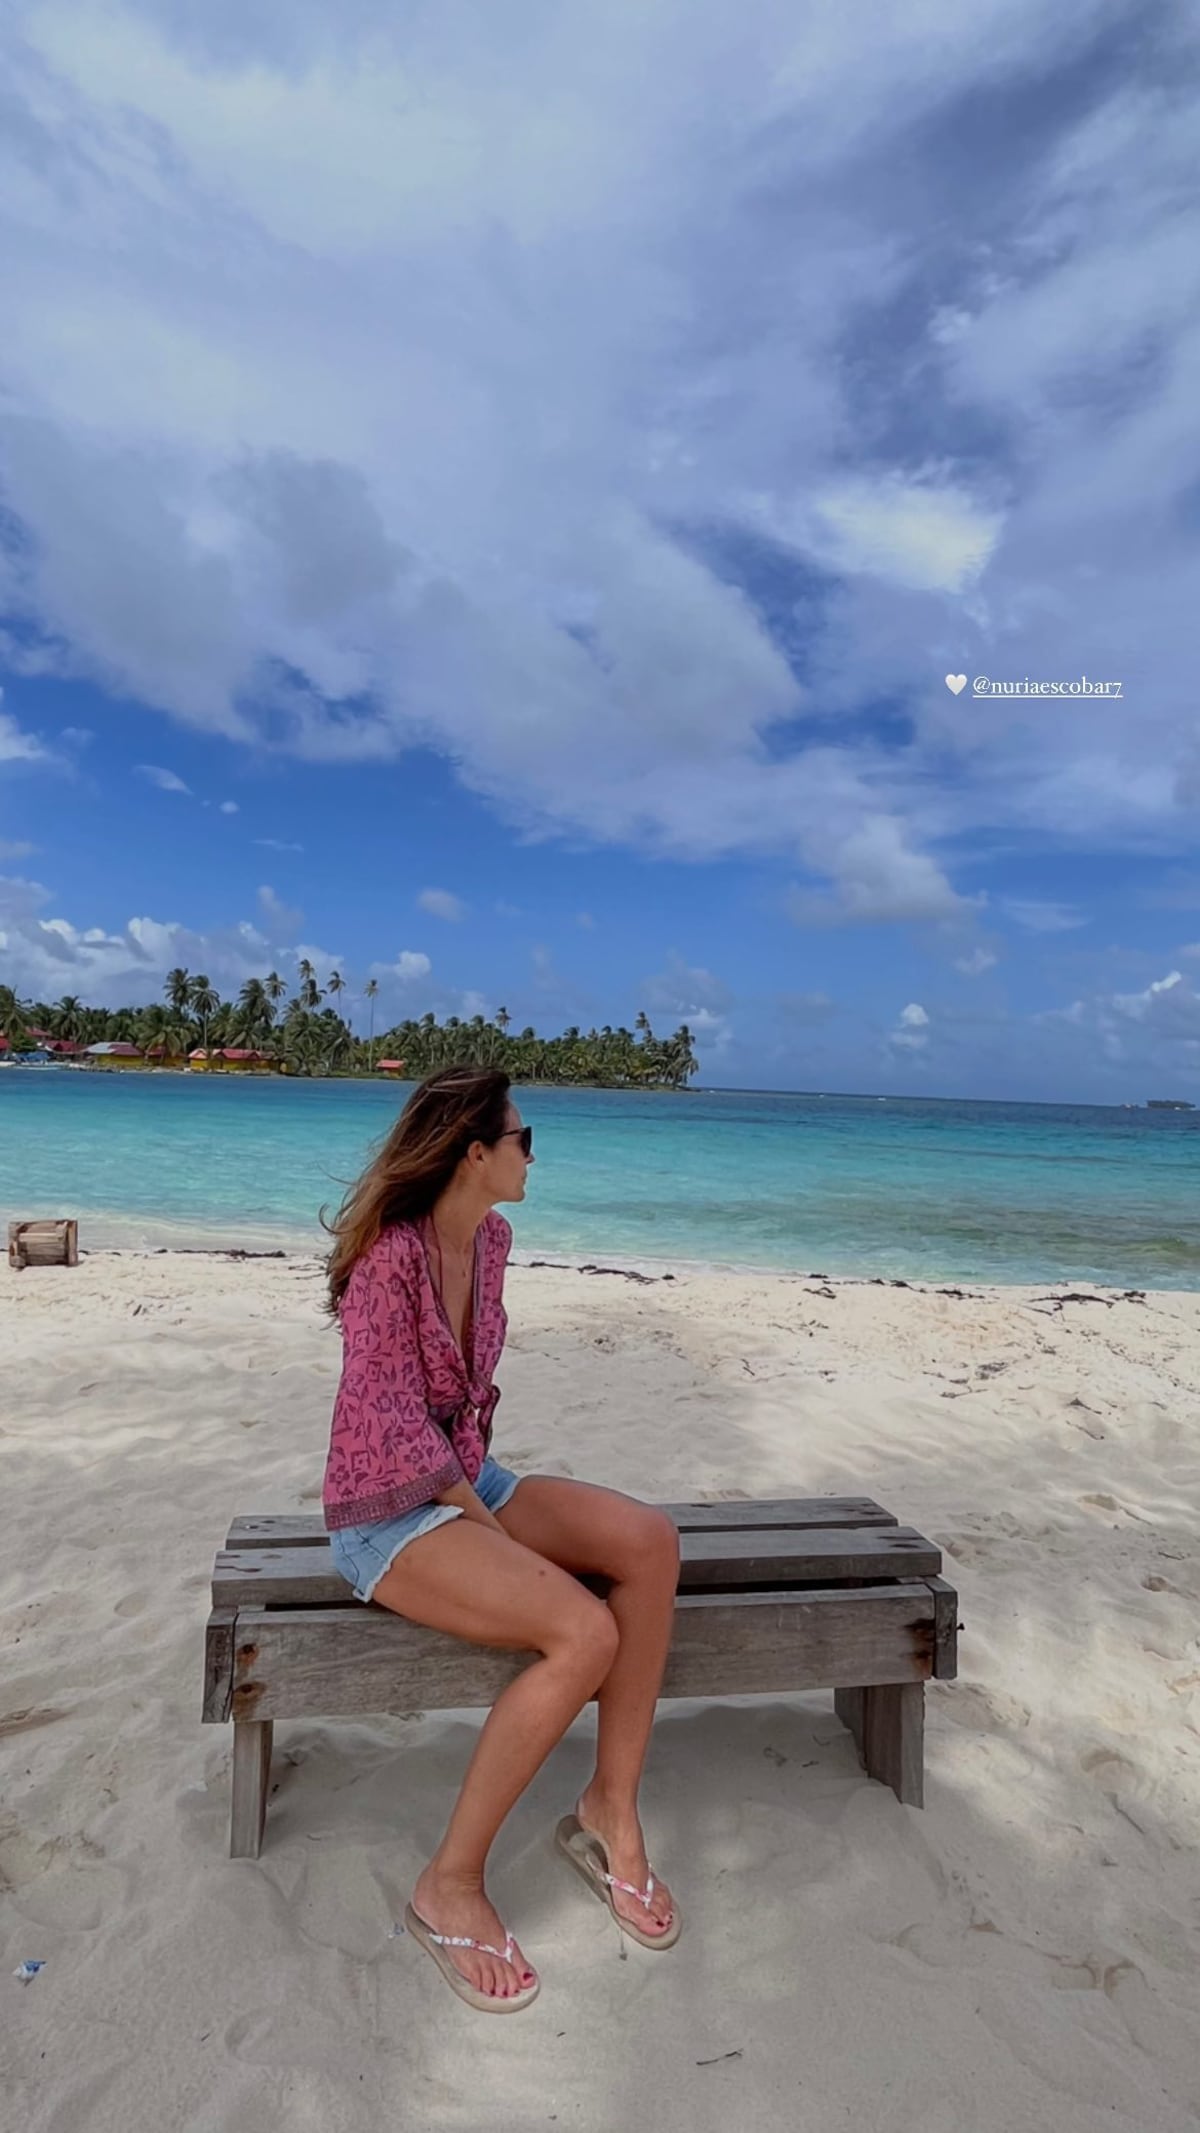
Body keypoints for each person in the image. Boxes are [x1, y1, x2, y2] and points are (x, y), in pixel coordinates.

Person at [321, 1065, 682, 2014]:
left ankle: (609, 1808)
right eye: (525, 1138)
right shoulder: (388, 1262)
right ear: (473, 1152)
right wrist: (505, 1548)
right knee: (585, 1631)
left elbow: (461, 1423)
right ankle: (449, 1882)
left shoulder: (491, 1240)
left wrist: (490, 1518)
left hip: (461, 1477)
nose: (534, 1154)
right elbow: (402, 1433)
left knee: (650, 1542)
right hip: (386, 1510)